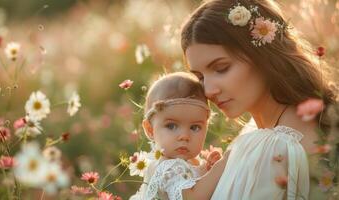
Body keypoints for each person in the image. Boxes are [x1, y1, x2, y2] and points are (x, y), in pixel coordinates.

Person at [180, 0, 337, 199]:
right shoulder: (266, 131)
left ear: (261, 55)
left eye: (221, 68)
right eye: (200, 77)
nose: (208, 91)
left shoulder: (273, 147)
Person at [129, 72, 227, 200]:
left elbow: (192, 180)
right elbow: (192, 197)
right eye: (171, 126)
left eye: (195, 127)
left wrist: (206, 168)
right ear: (150, 129)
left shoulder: (186, 162)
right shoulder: (167, 168)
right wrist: (221, 166)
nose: (184, 136)